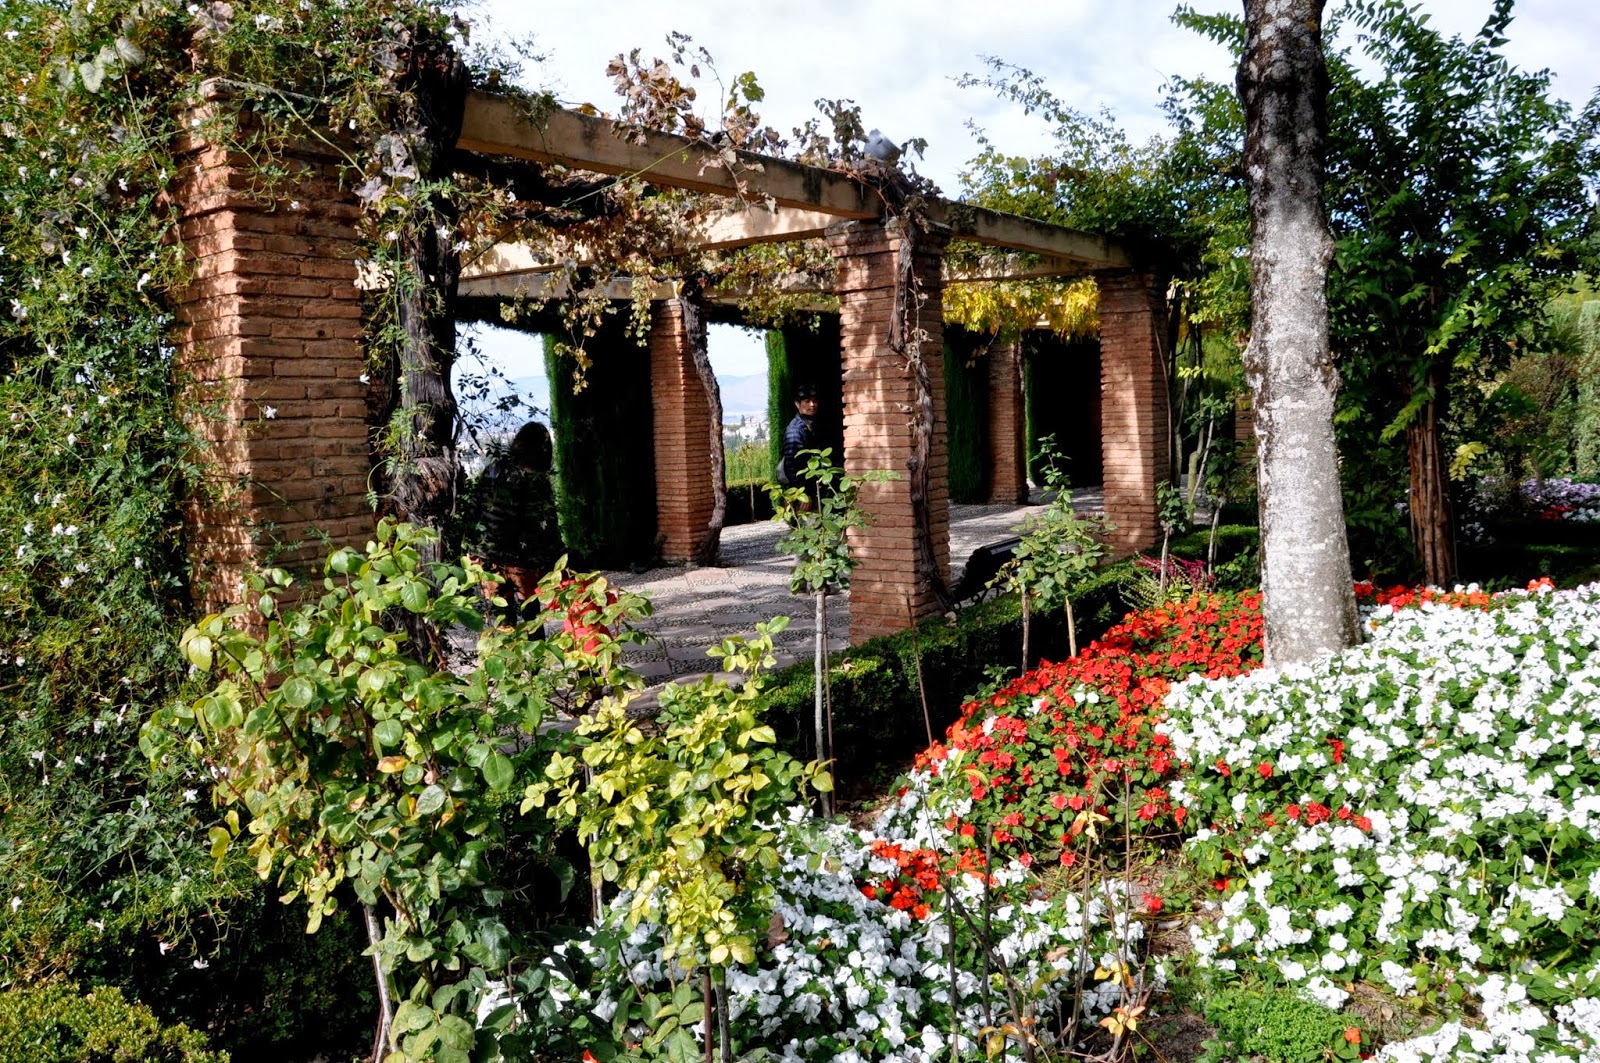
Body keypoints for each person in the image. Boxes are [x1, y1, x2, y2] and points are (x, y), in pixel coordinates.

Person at [466, 421, 561, 617]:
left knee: (501, 617)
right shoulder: (535, 480)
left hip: (488, 556)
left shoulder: (493, 470)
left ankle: (503, 646)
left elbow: (474, 507)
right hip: (522, 559)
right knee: (531, 617)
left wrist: (471, 547)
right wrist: (557, 557)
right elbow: (546, 523)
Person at [779, 383, 819, 500]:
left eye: (814, 400)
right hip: (801, 495)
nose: (812, 405)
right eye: (807, 401)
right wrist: (803, 493)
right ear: (797, 404)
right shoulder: (795, 431)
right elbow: (791, 466)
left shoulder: (809, 425)